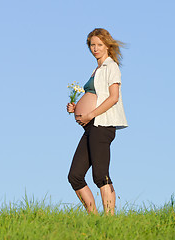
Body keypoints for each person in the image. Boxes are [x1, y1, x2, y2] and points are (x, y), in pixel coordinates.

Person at [66, 28, 128, 215]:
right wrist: (76, 108)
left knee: (100, 175)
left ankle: (109, 220)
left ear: (107, 45)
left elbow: (113, 97)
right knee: (75, 176)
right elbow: (95, 95)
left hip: (103, 125)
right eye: (92, 45)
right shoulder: (97, 70)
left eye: (99, 45)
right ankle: (93, 218)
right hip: (91, 127)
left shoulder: (111, 67)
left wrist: (89, 114)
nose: (95, 48)